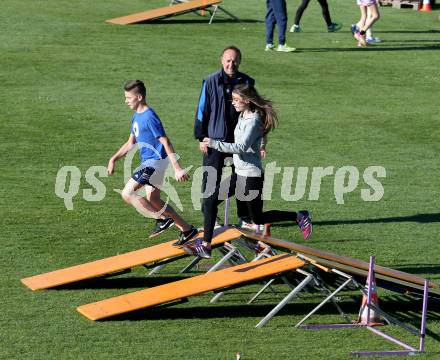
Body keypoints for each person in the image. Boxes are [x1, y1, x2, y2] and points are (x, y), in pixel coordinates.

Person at [184, 84, 313, 259]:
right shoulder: (244, 115)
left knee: (257, 218)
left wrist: (214, 143)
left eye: (236, 100)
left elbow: (242, 146)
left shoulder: (253, 120)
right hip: (239, 174)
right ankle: (206, 245)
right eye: (233, 99)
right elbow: (259, 134)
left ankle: (299, 216)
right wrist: (261, 144)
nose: (233, 103)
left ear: (247, 100)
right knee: (209, 201)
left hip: (251, 177)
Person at [107, 80, 198, 244]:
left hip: (154, 163)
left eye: (129, 97)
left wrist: (177, 168)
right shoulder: (136, 116)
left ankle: (163, 219)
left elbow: (165, 141)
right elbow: (130, 143)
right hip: (152, 163)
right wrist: (113, 159)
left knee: (127, 193)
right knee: (154, 200)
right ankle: (187, 230)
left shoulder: (149, 117)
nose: (126, 101)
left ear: (139, 97)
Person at [190, 46, 261, 251]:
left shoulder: (248, 82)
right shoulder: (210, 81)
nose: (231, 64)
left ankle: (245, 217)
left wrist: (261, 141)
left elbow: (257, 111)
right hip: (215, 138)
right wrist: (201, 137)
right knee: (210, 177)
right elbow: (202, 110)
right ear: (222, 60)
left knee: (242, 176)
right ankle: (210, 215)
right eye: (228, 60)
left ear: (240, 61)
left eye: (235, 61)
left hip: (239, 139)